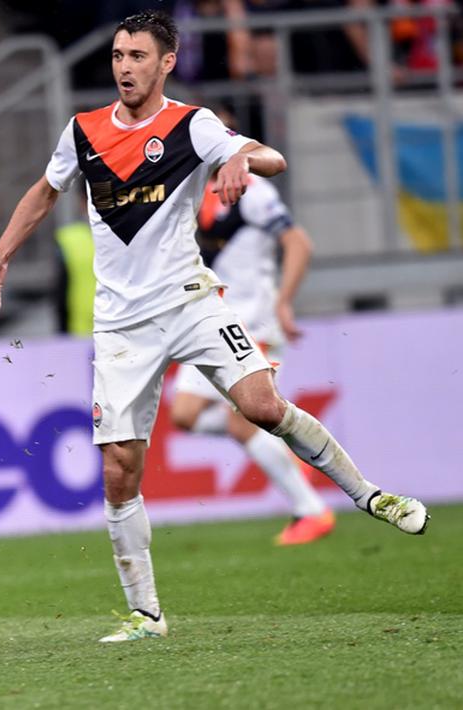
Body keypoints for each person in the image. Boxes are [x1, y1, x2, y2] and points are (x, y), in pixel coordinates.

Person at [0, 10, 429, 644]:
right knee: (119, 469)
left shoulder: (192, 124)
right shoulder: (83, 130)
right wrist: (0, 257)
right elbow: (44, 192)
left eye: (137, 56)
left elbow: (271, 157)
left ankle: (372, 496)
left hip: (190, 303)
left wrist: (242, 160)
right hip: (121, 325)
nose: (125, 67)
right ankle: (147, 614)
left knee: (262, 407)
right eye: (118, 56)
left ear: (166, 62)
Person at [170, 152, 334, 546]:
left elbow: (298, 243)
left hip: (253, 322)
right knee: (184, 415)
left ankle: (312, 511)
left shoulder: (254, 191)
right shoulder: (197, 190)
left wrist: (283, 301)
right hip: (215, 320)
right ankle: (280, 447)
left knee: (243, 420)